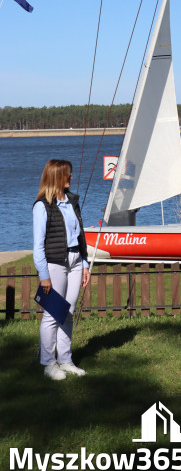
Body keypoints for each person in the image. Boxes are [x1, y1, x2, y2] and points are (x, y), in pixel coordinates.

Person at [33, 159, 90, 380]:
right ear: (57, 177)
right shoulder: (41, 206)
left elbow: (80, 236)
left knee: (67, 312)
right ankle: (48, 363)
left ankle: (65, 360)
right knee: (52, 314)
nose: (72, 178)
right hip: (55, 263)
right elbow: (38, 246)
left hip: (76, 261)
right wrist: (44, 275)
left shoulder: (72, 202)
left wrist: (84, 264)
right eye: (68, 175)